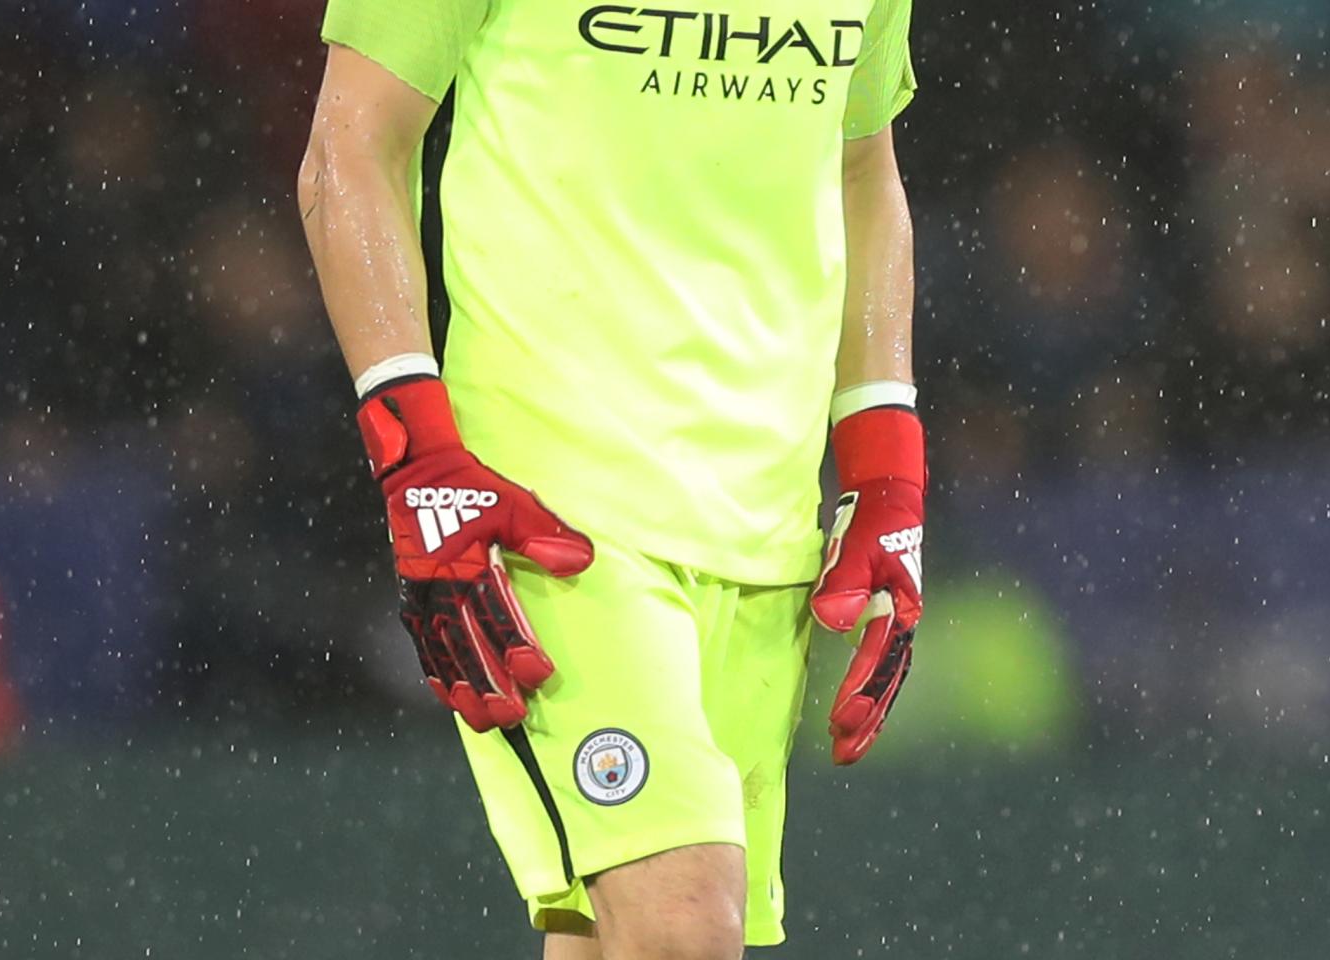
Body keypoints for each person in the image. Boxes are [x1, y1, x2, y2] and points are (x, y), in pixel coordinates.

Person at [296, 0, 924, 955]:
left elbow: (860, 167)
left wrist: (888, 472)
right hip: (554, 512)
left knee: (613, 937)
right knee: (684, 920)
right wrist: (413, 445)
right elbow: (350, 147)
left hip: (763, 523)